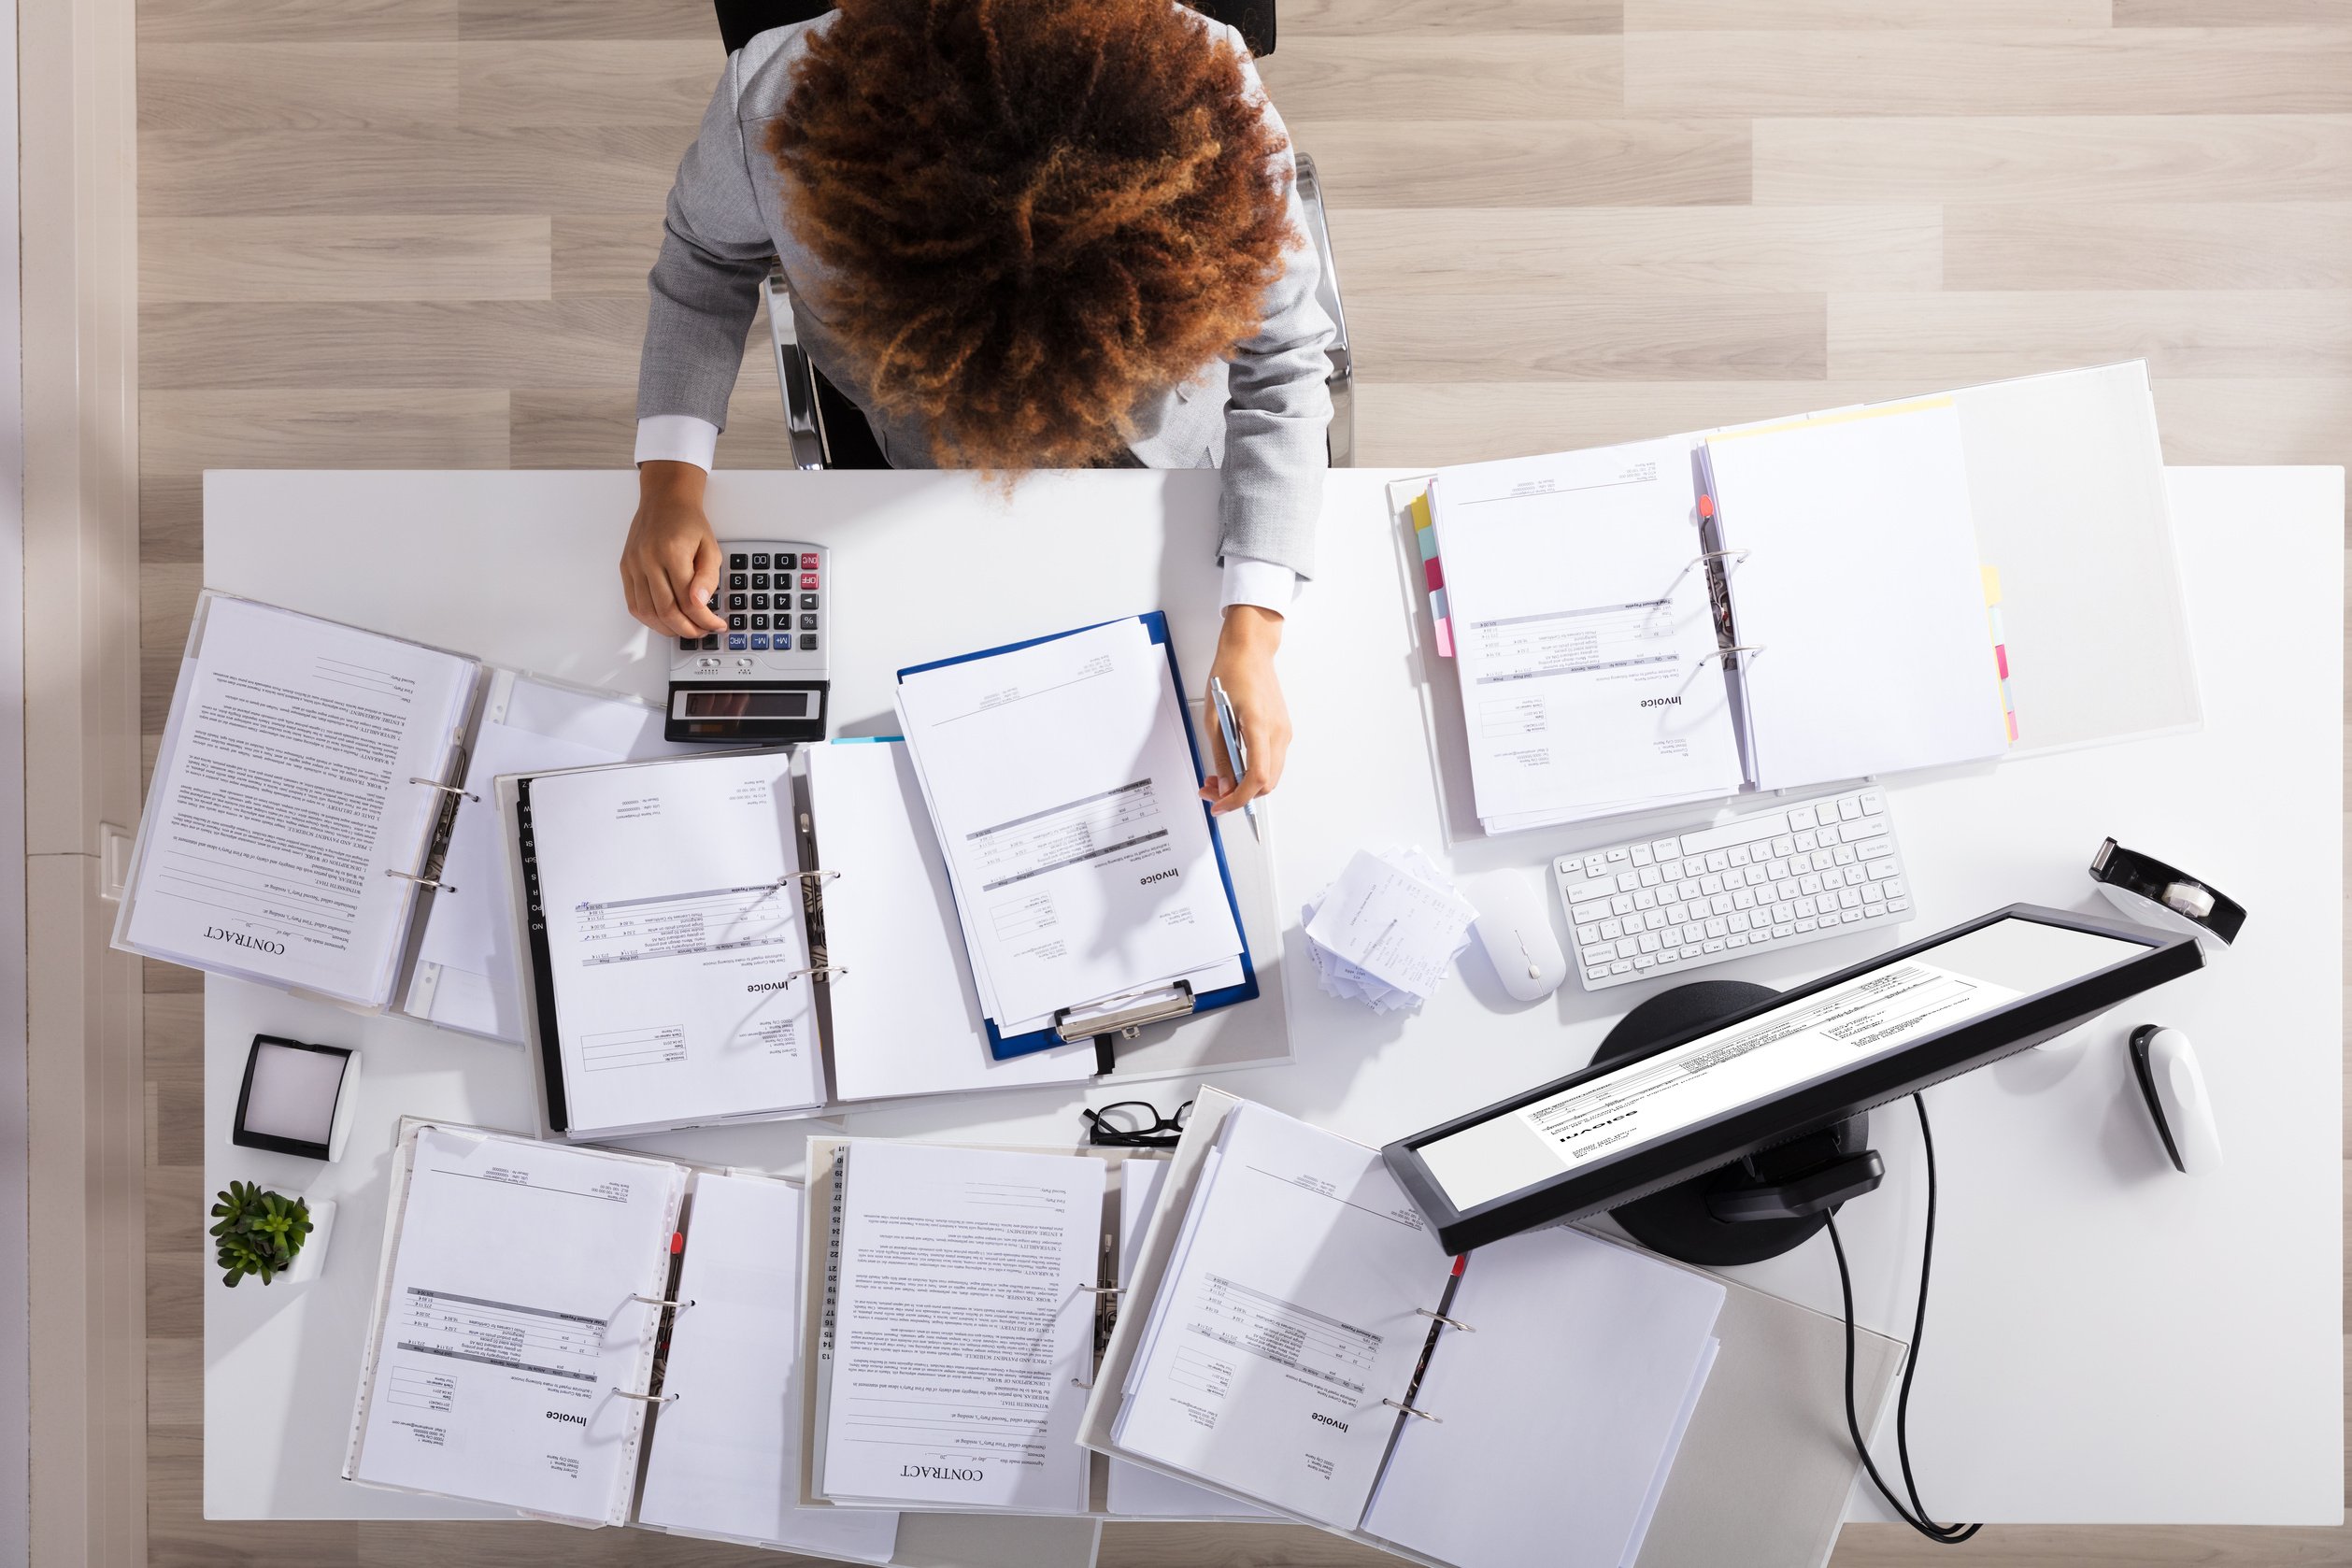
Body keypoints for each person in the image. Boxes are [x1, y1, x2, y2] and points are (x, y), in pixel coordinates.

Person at [620, 0, 1333, 816]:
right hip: (918, 453)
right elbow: (704, 259)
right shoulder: (770, 110)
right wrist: (669, 482)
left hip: (1166, 449)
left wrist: (1253, 626)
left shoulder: (1208, 92)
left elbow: (1284, 354)